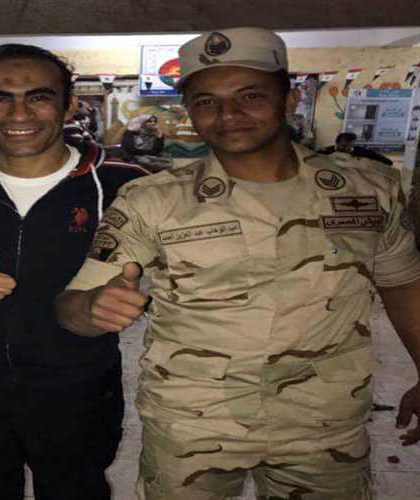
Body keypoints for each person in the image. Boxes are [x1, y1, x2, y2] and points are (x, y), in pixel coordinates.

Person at [56, 27, 420, 500]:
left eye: (251, 96)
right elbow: (72, 306)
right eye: (207, 101)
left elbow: (403, 283)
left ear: (288, 98)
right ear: (190, 111)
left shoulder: (367, 190)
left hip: (324, 422)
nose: (229, 114)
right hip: (193, 426)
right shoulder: (152, 200)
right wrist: (92, 309)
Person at [0, 44, 148, 500]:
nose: (18, 113)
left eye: (38, 97)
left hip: (80, 387)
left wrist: (123, 302)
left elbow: (163, 283)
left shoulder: (124, 184)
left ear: (69, 105)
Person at [319, 132, 394, 166]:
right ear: (336, 143)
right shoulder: (326, 151)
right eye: (344, 146)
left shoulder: (361, 152)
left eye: (350, 146)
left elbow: (387, 162)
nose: (347, 149)